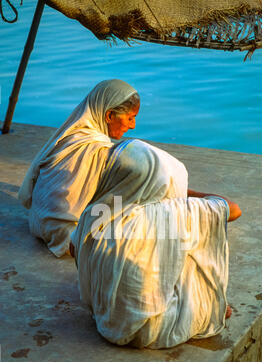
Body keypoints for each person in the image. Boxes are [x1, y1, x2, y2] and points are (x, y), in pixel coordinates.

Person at [70, 138, 241, 349]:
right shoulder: (169, 212)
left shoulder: (99, 210)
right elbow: (232, 209)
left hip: (108, 320)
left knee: (166, 244)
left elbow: (74, 247)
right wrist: (185, 193)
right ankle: (208, 306)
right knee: (191, 242)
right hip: (151, 329)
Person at [18, 79, 140, 257]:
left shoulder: (72, 134)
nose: (132, 125)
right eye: (130, 118)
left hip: (38, 222)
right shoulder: (99, 149)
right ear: (109, 116)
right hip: (66, 236)